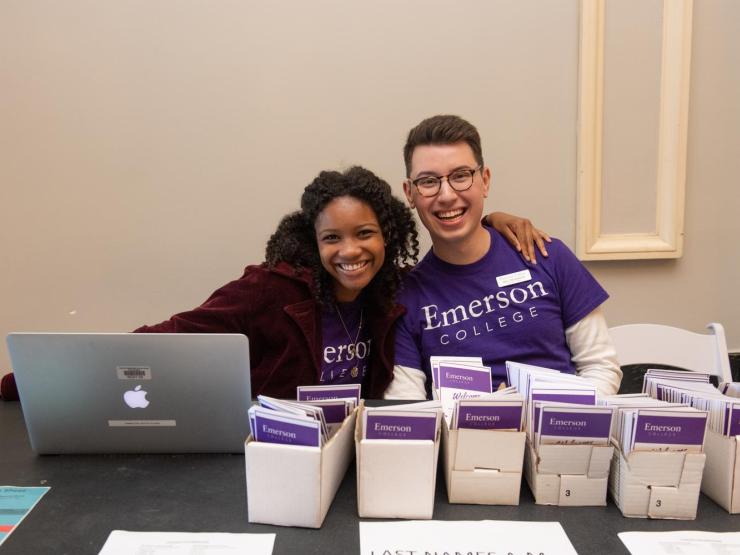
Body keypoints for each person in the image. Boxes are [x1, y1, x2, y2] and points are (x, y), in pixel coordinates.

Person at [0, 165, 548, 401]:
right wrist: (33, 380)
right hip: (273, 454)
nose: (350, 251)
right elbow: (171, 339)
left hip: (356, 463)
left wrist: (494, 220)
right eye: (332, 238)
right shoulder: (270, 290)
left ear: (389, 236)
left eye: (365, 234)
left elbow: (455, 257)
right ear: (312, 242)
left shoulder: (393, 294)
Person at [387, 115, 622, 399]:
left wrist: (554, 420)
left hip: (560, 433)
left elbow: (601, 367)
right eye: (428, 181)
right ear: (410, 193)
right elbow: (410, 408)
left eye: (461, 176)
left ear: (484, 181)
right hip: (463, 439)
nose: (447, 195)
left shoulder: (548, 255)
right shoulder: (405, 300)